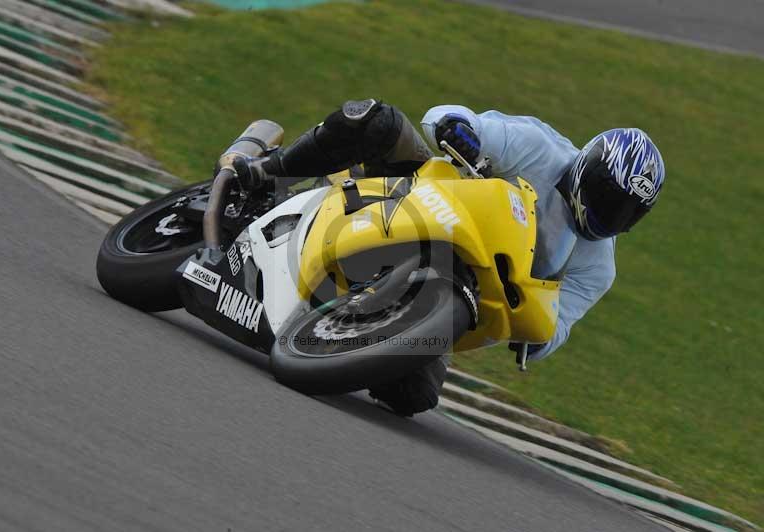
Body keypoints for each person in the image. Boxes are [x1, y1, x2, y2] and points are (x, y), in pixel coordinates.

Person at [228, 99, 665, 416]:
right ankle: (269, 170)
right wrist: (460, 129)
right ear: (587, 164)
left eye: (625, 212)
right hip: (420, 202)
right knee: (376, 120)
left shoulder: (598, 266)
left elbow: (558, 325)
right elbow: (447, 115)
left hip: (463, 294)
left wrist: (538, 339)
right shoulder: (539, 148)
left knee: (413, 397)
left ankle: (343, 329)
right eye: (607, 198)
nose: (609, 215)